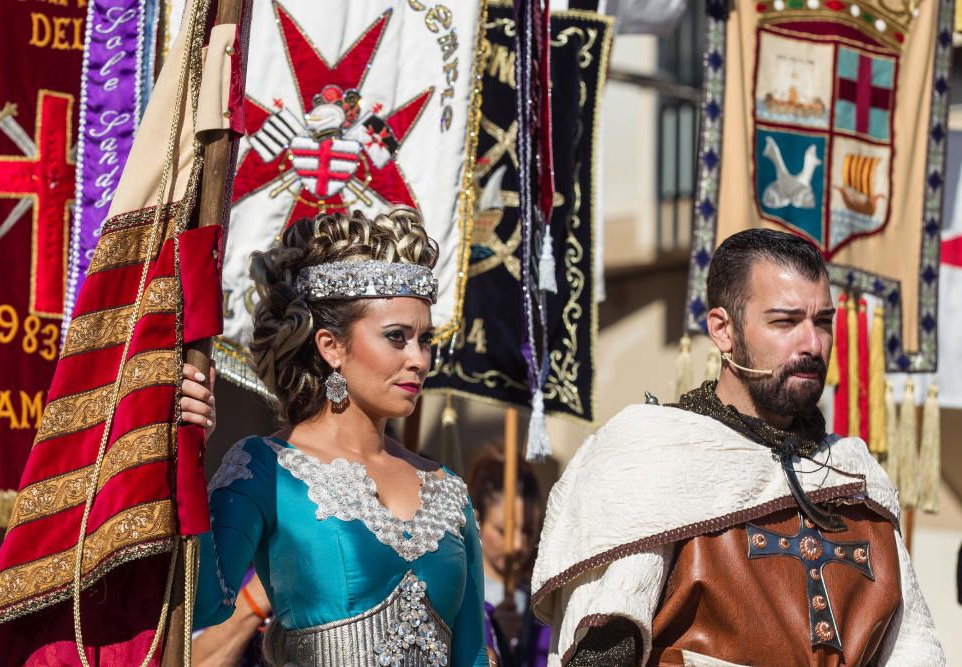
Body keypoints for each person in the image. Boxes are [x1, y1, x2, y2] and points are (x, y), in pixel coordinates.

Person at [531, 229, 945, 665]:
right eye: (784, 322)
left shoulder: (855, 478)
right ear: (723, 330)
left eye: (822, 322)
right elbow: (605, 646)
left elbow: (913, 650)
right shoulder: (658, 455)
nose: (812, 345)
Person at [184, 208, 488, 666]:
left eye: (425, 341)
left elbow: (472, 656)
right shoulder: (264, 468)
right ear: (332, 347)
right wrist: (184, 455)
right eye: (396, 337)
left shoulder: (447, 489)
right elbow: (203, 604)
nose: (419, 360)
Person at [468, 451, 549, 667]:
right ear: (478, 520)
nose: (517, 545)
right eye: (503, 530)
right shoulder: (464, 594)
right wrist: (493, 632)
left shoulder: (541, 604)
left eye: (527, 531)